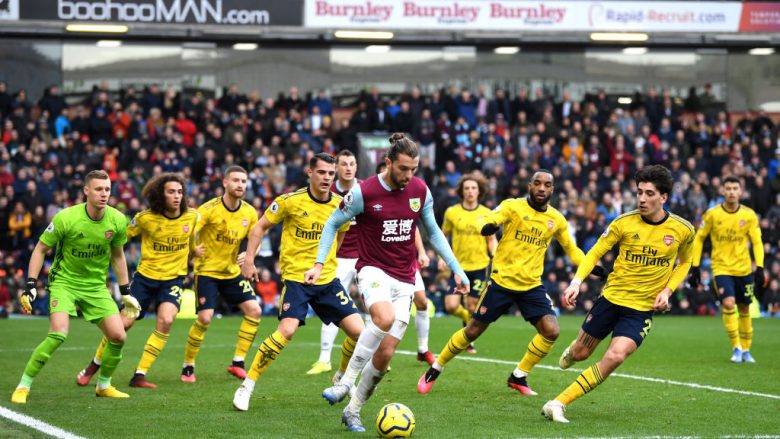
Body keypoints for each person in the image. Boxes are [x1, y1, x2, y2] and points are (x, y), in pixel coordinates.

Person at [306, 133, 469, 432]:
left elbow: (433, 232)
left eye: (414, 169)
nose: (409, 175)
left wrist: (457, 269)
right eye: (403, 168)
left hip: (405, 277)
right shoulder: (364, 192)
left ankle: (353, 410)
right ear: (388, 162)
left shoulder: (420, 190)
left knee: (385, 354)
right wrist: (318, 263)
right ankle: (345, 382)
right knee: (383, 317)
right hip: (372, 269)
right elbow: (331, 223)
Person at [418, 170, 603, 396]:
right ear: (529, 185)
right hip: (501, 283)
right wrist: (489, 226)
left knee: (551, 330)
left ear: (552, 190)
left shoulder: (556, 219)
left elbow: (571, 249)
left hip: (531, 286)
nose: (542, 188)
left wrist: (589, 266)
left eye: (547, 185)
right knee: (473, 330)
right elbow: (491, 217)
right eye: (537, 183)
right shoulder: (512, 206)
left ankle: (519, 376)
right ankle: (435, 369)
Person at [542, 165, 694, 423]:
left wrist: (668, 291)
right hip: (611, 300)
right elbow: (595, 252)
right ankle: (573, 350)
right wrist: (576, 282)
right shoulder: (623, 222)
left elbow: (686, 262)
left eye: (649, 193)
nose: (642, 199)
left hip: (641, 310)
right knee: (580, 354)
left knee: (615, 356)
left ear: (664, 197)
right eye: (639, 192)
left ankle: (557, 403)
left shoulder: (683, 229)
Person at [232, 153, 365, 412]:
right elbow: (258, 229)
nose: (327, 178)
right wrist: (249, 260)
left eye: (331, 173)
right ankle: (247, 384)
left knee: (360, 333)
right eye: (322, 172)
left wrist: (327, 264)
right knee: (288, 330)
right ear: (310, 173)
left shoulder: (341, 205)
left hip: (327, 280)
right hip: (296, 280)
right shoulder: (289, 202)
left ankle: (340, 378)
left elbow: (339, 238)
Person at [11, 170, 141, 404]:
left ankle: (103, 386)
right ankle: (23, 385)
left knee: (118, 336)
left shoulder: (117, 220)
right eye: (99, 189)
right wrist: (31, 285)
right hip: (65, 283)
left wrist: (125, 292)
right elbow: (40, 250)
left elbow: (118, 257)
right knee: (58, 333)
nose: (104, 194)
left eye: (107, 189)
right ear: (86, 191)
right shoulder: (66, 218)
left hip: (95, 287)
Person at [75, 173, 200, 388]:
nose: (177, 196)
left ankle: (139, 374)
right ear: (161, 194)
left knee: (167, 321)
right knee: (123, 325)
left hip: (173, 280)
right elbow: (121, 235)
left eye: (180, 192)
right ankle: (93, 365)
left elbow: (188, 241)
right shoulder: (145, 218)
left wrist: (194, 251)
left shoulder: (191, 217)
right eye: (171, 192)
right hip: (145, 280)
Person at [180, 166, 262, 382]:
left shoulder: (249, 212)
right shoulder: (208, 209)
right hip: (207, 271)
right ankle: (188, 366)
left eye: (243, 181)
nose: (240, 185)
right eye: (235, 180)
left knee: (254, 310)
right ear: (224, 182)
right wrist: (192, 250)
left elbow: (257, 238)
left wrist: (249, 255)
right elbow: (188, 229)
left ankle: (238, 362)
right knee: (205, 318)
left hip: (231, 272)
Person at [688, 175, 767, 363]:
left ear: (740, 191)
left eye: (735, 188)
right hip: (721, 268)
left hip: (744, 269)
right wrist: (696, 266)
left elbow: (757, 242)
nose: (731, 192)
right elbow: (699, 238)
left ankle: (747, 351)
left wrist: (760, 267)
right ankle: (736, 347)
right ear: (722, 191)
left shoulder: (749, 215)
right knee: (729, 304)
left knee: (745, 308)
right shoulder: (712, 214)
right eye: (728, 188)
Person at [308, 150, 364, 376]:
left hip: (363, 257)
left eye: (352, 163)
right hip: (337, 258)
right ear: (337, 168)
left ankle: (370, 354)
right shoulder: (327, 193)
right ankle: (324, 359)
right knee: (333, 306)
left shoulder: (365, 190)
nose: (348, 168)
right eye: (344, 164)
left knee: (372, 305)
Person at [440, 173, 498, 354]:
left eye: (474, 188)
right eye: (467, 188)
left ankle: (468, 341)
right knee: (450, 306)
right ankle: (467, 318)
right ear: (461, 191)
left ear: (479, 191)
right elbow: (443, 235)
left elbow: (491, 240)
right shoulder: (452, 212)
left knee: (473, 305)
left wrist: (495, 257)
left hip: (480, 267)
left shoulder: (486, 214)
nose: (470, 191)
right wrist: (442, 257)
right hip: (458, 267)